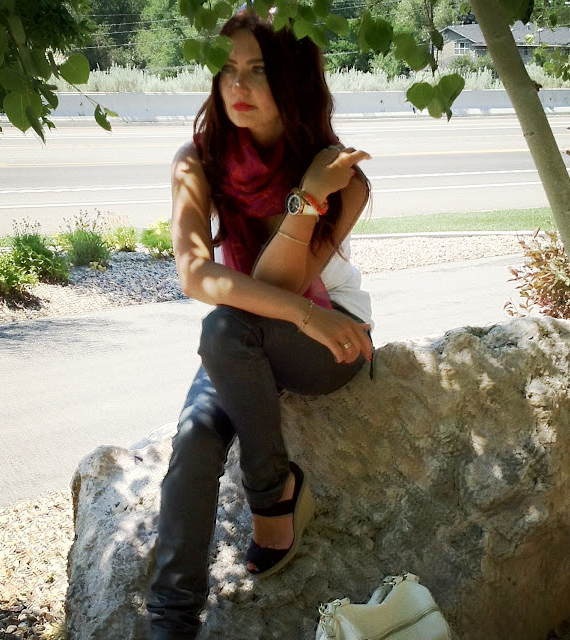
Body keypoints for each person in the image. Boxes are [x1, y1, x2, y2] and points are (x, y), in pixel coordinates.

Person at [146, 8, 374, 639]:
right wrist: (302, 313)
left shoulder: (341, 175)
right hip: (268, 330)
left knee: (225, 331)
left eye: (259, 71)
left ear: (293, 81)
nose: (238, 85)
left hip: (331, 338)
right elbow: (197, 275)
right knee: (194, 440)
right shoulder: (196, 163)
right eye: (227, 69)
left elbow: (283, 283)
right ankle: (172, 621)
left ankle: (271, 495)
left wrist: (309, 198)